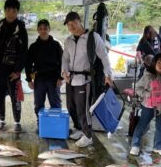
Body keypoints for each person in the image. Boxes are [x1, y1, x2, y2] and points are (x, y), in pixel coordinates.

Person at [62, 11, 112, 147]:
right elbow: (65, 58)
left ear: (80, 21)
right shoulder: (69, 40)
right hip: (70, 79)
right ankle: (79, 129)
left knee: (83, 108)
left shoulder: (93, 37)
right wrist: (64, 71)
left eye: (74, 23)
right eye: (69, 24)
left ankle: (88, 135)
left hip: (85, 79)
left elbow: (104, 57)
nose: (71, 27)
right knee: (70, 106)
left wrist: (108, 75)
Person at [0, 0, 28, 133]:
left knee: (15, 97)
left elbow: (24, 52)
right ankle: (2, 120)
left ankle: (17, 122)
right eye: (8, 10)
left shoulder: (21, 28)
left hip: (13, 71)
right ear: (5, 11)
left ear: (17, 12)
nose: (11, 13)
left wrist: (18, 71)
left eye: (14, 11)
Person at [130, 53, 161, 157]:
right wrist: (148, 95)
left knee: (160, 126)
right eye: (159, 62)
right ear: (154, 63)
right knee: (142, 125)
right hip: (148, 106)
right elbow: (138, 88)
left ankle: (158, 146)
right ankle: (135, 144)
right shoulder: (147, 76)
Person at [25, 19, 63, 132]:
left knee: (55, 103)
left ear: (49, 29)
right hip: (39, 79)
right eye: (41, 29)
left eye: (45, 28)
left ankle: (56, 124)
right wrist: (29, 79)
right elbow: (27, 64)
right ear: (38, 30)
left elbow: (62, 62)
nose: (43, 31)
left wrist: (60, 78)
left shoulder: (56, 45)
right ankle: (40, 124)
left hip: (53, 79)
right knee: (38, 104)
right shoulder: (33, 46)